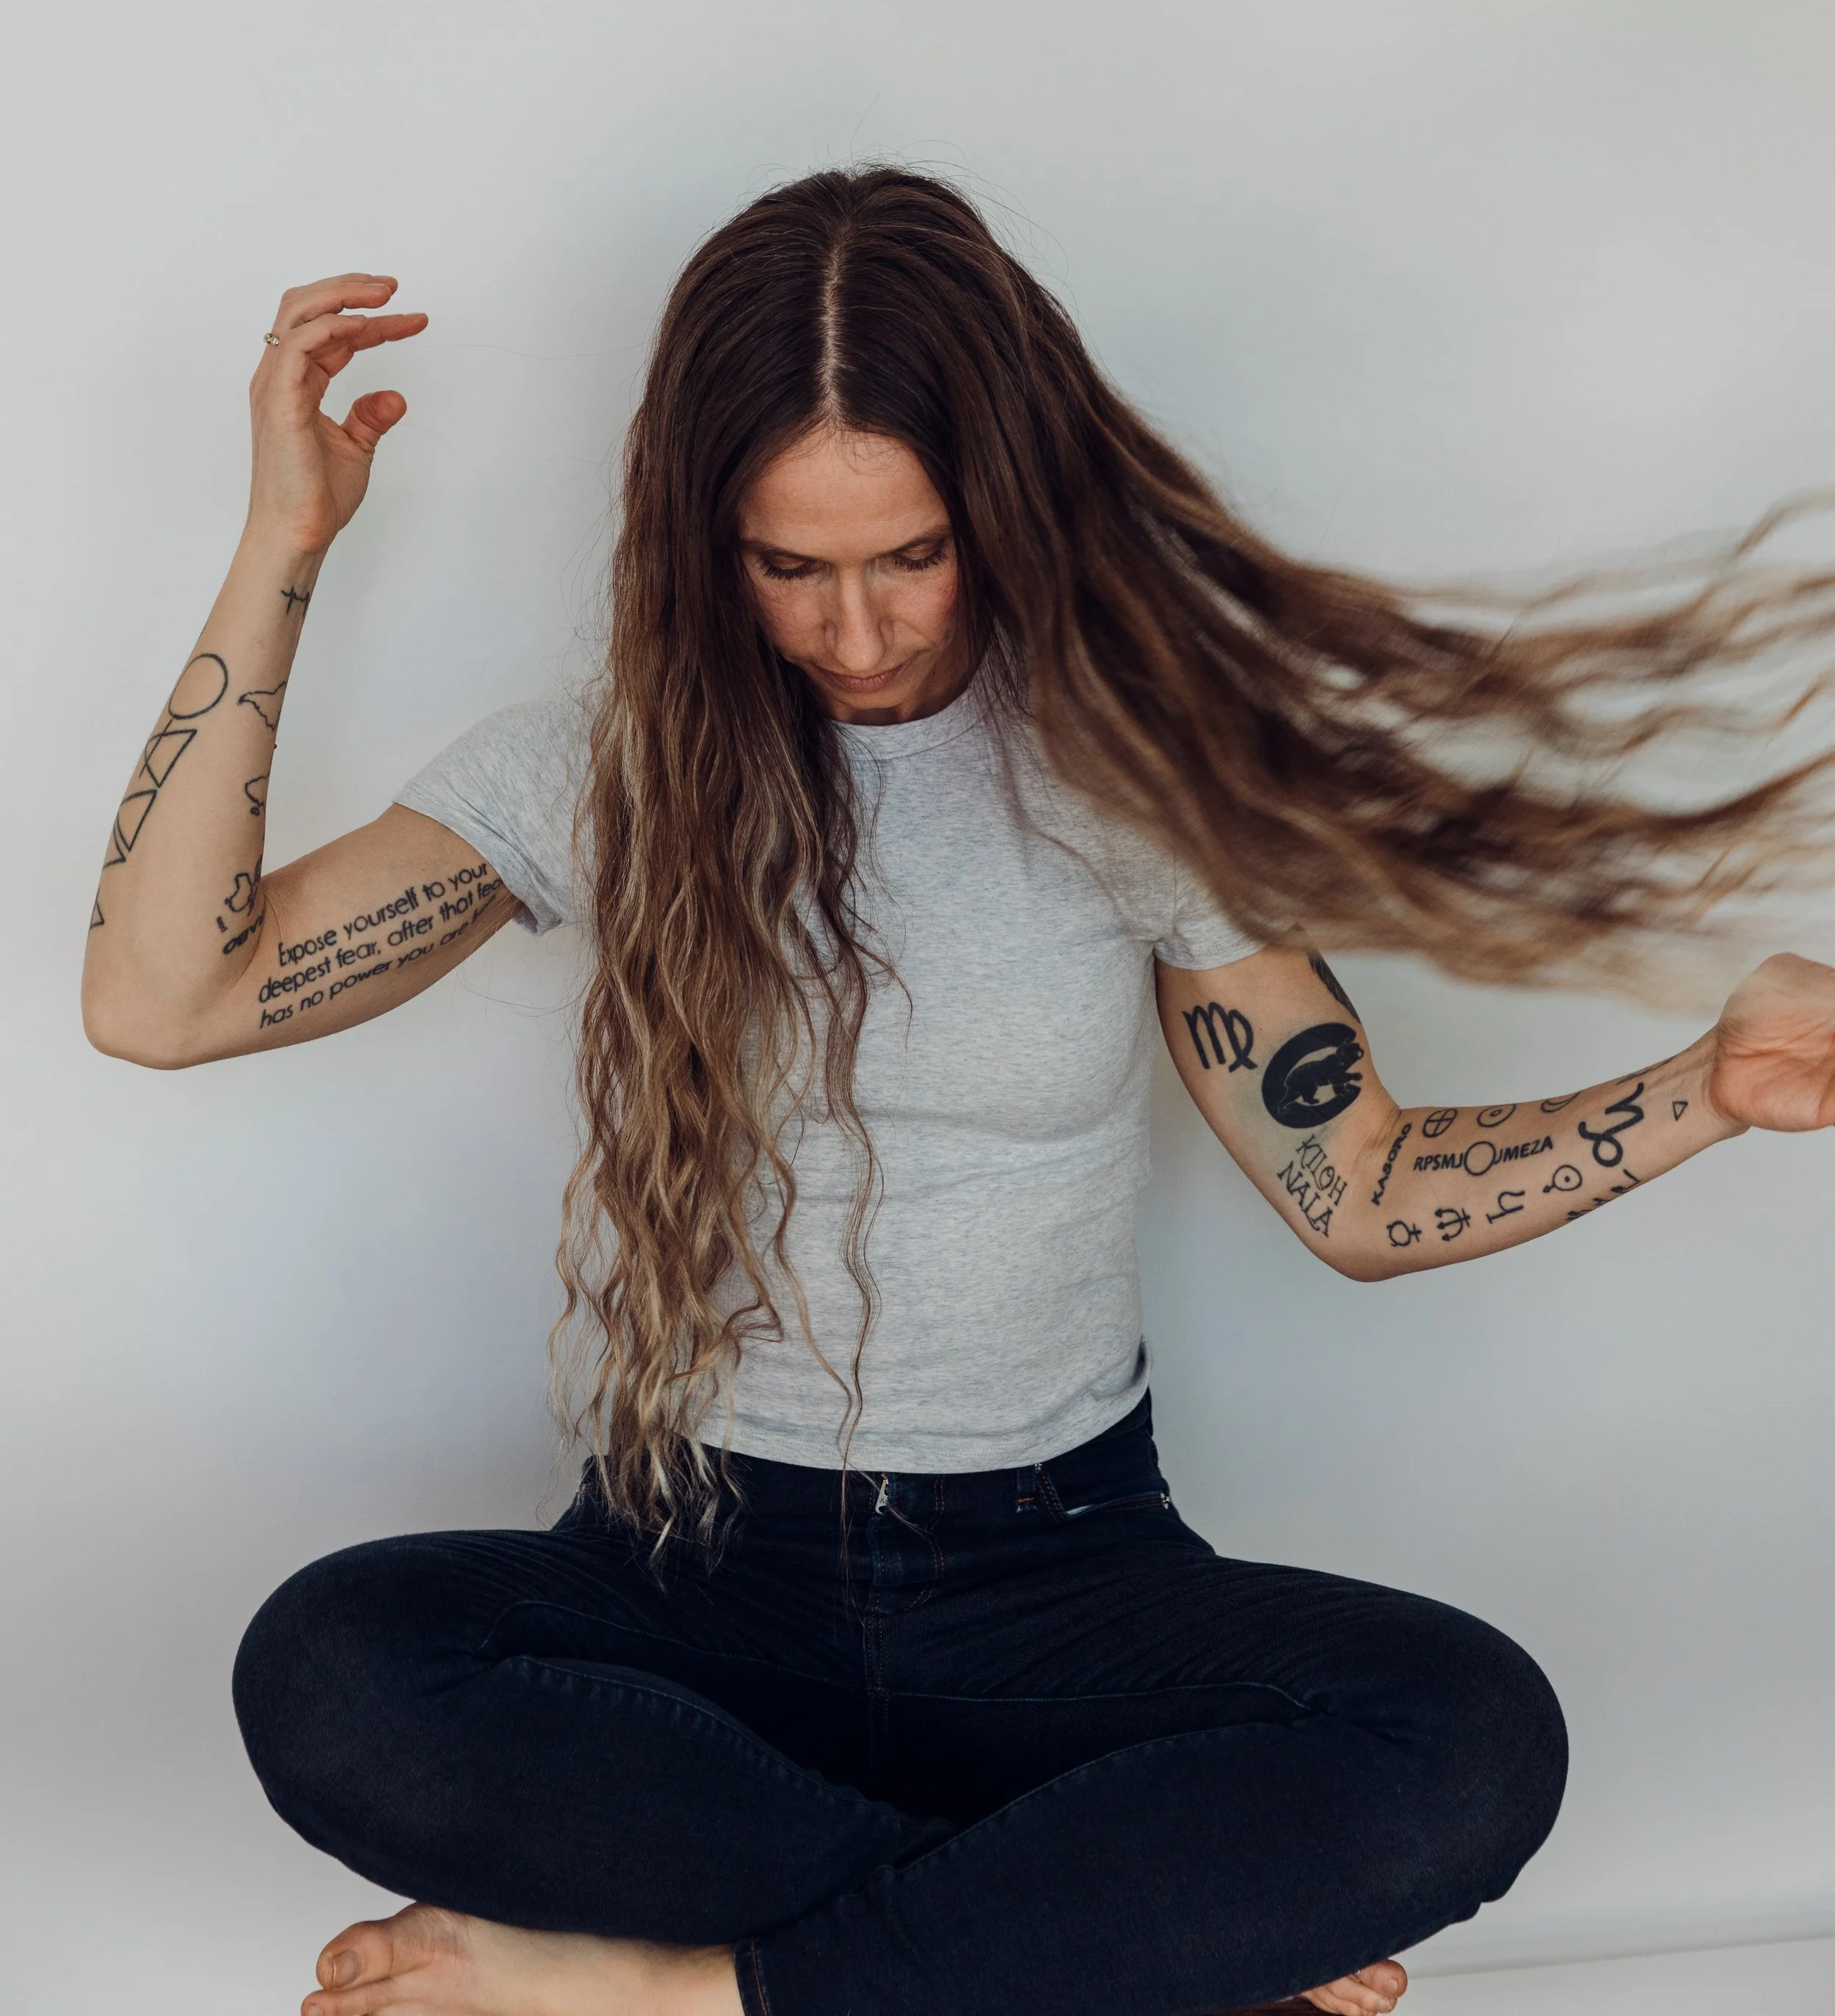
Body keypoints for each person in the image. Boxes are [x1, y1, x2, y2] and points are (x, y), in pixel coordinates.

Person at [82, 170, 1835, 2016]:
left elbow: (1365, 1193)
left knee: (1470, 1739)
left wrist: (1706, 1089)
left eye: (911, 554)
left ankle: (677, 1995)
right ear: (703, 542)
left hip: (1054, 1583)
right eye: (789, 567)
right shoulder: (598, 768)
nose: (858, 634)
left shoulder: (1133, 780)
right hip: (691, 1574)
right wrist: (289, 536)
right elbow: (165, 1000)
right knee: (336, 1668)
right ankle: (1106, 1949)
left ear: (1005, 505)